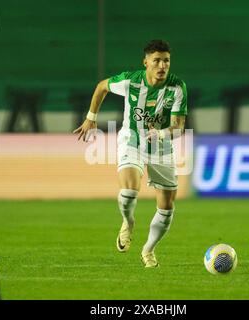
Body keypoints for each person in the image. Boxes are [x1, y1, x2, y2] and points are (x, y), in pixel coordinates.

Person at [74, 39, 187, 267]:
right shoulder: (131, 81)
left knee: (166, 207)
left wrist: (163, 133)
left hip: (161, 146)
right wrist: (90, 118)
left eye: (166, 61)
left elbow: (179, 125)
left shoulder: (177, 87)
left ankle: (148, 250)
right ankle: (128, 221)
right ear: (145, 62)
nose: (162, 65)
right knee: (129, 191)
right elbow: (102, 86)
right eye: (156, 60)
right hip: (132, 140)